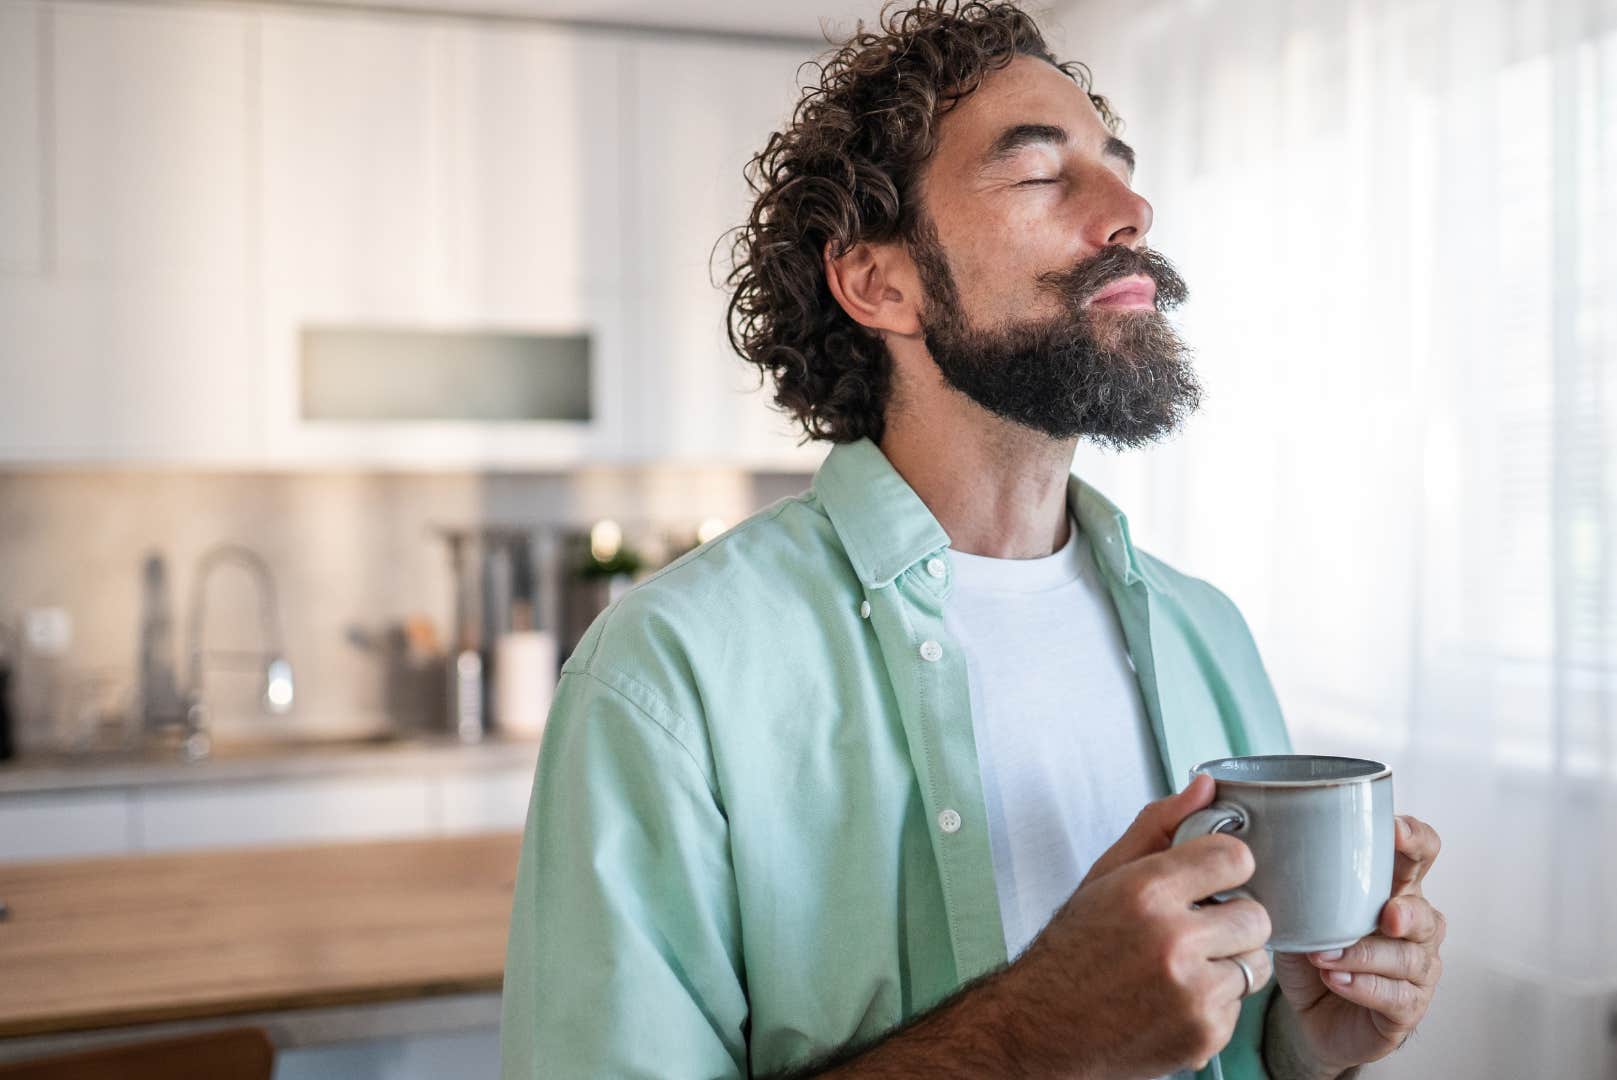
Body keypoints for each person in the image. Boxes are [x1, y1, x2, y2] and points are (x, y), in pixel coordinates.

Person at [500, 2, 1445, 1077]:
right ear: (879, 282)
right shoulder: (670, 679)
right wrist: (1039, 1034)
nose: (1132, 209)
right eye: (1043, 175)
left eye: (1120, 167)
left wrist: (1307, 1048)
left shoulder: (1205, 633)